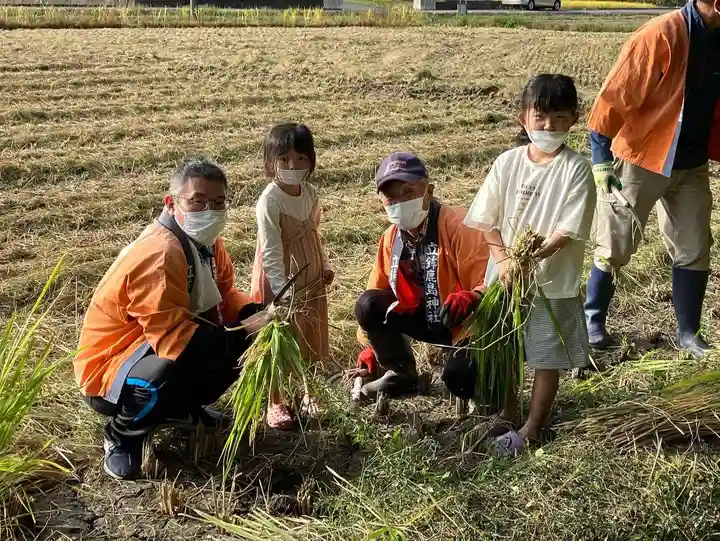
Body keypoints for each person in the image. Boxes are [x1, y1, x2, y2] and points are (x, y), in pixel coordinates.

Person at [74, 158, 269, 481]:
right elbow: (176, 342)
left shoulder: (206, 243)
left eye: (219, 202)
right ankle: (122, 434)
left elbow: (225, 293)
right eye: (198, 201)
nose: (210, 210)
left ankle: (183, 410)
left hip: (152, 344)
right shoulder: (160, 253)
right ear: (171, 202)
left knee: (241, 341)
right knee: (165, 372)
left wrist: (252, 312)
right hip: (112, 367)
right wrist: (244, 329)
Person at [464, 74, 596, 455]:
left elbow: (566, 232)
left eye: (558, 117)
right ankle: (507, 410)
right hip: (505, 276)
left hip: (551, 281)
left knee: (544, 354)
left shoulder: (576, 169)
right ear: (523, 117)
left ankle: (533, 428)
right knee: (504, 347)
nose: (548, 126)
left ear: (573, 119)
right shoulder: (507, 163)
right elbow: (486, 220)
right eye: (540, 116)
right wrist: (505, 261)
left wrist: (529, 259)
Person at [585, 0, 720, 358]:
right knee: (615, 243)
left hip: (691, 163)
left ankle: (689, 333)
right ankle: (593, 318)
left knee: (694, 247)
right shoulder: (661, 34)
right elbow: (614, 96)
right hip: (643, 156)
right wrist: (600, 157)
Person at [351, 151, 490, 401]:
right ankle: (401, 373)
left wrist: (471, 296)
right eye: (391, 198)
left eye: (409, 192)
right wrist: (371, 346)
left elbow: (488, 281)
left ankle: (483, 390)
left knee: (460, 376)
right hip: (421, 316)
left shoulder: (460, 225)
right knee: (367, 304)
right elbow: (377, 291)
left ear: (429, 190)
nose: (400, 202)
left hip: (459, 320)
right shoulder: (390, 239)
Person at [251, 123, 333, 430]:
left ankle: (309, 392)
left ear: (311, 160)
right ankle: (277, 400)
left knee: (310, 334)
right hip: (281, 278)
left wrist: (323, 263)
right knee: (281, 339)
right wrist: (281, 291)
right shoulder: (269, 201)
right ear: (270, 162)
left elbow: (315, 233)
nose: (292, 166)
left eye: (300, 159)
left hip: (310, 275)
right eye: (284, 159)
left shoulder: (310, 192)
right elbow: (270, 250)